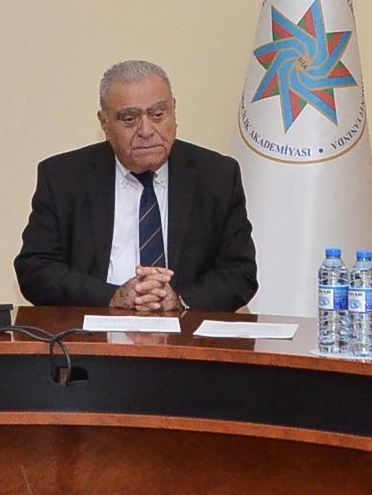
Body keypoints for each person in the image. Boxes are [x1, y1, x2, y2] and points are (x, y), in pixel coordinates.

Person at [14, 61, 256, 313]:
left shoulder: (217, 175)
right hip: (93, 341)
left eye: (158, 115)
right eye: (130, 119)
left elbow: (241, 272)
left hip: (187, 338)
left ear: (174, 110)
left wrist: (179, 300)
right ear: (104, 123)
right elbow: (35, 269)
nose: (146, 131)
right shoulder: (64, 177)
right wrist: (111, 297)